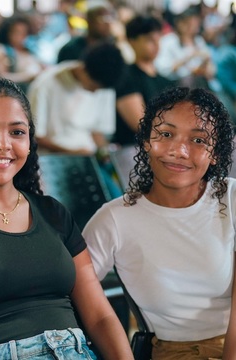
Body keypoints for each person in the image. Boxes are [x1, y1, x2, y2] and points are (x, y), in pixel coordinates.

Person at [0, 76, 133, 359]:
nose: (3, 144)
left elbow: (99, 316)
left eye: (17, 133)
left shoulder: (52, 212)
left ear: (29, 141)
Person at [83, 86, 236, 359]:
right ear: (146, 141)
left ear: (215, 153)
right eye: (166, 134)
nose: (179, 150)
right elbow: (73, 296)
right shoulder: (113, 220)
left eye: (199, 140)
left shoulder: (231, 197)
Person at [112, 14, 175, 146]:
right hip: (134, 150)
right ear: (132, 40)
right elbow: (141, 125)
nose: (156, 46)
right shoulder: (125, 77)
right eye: (149, 40)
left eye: (159, 40)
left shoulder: (165, 81)